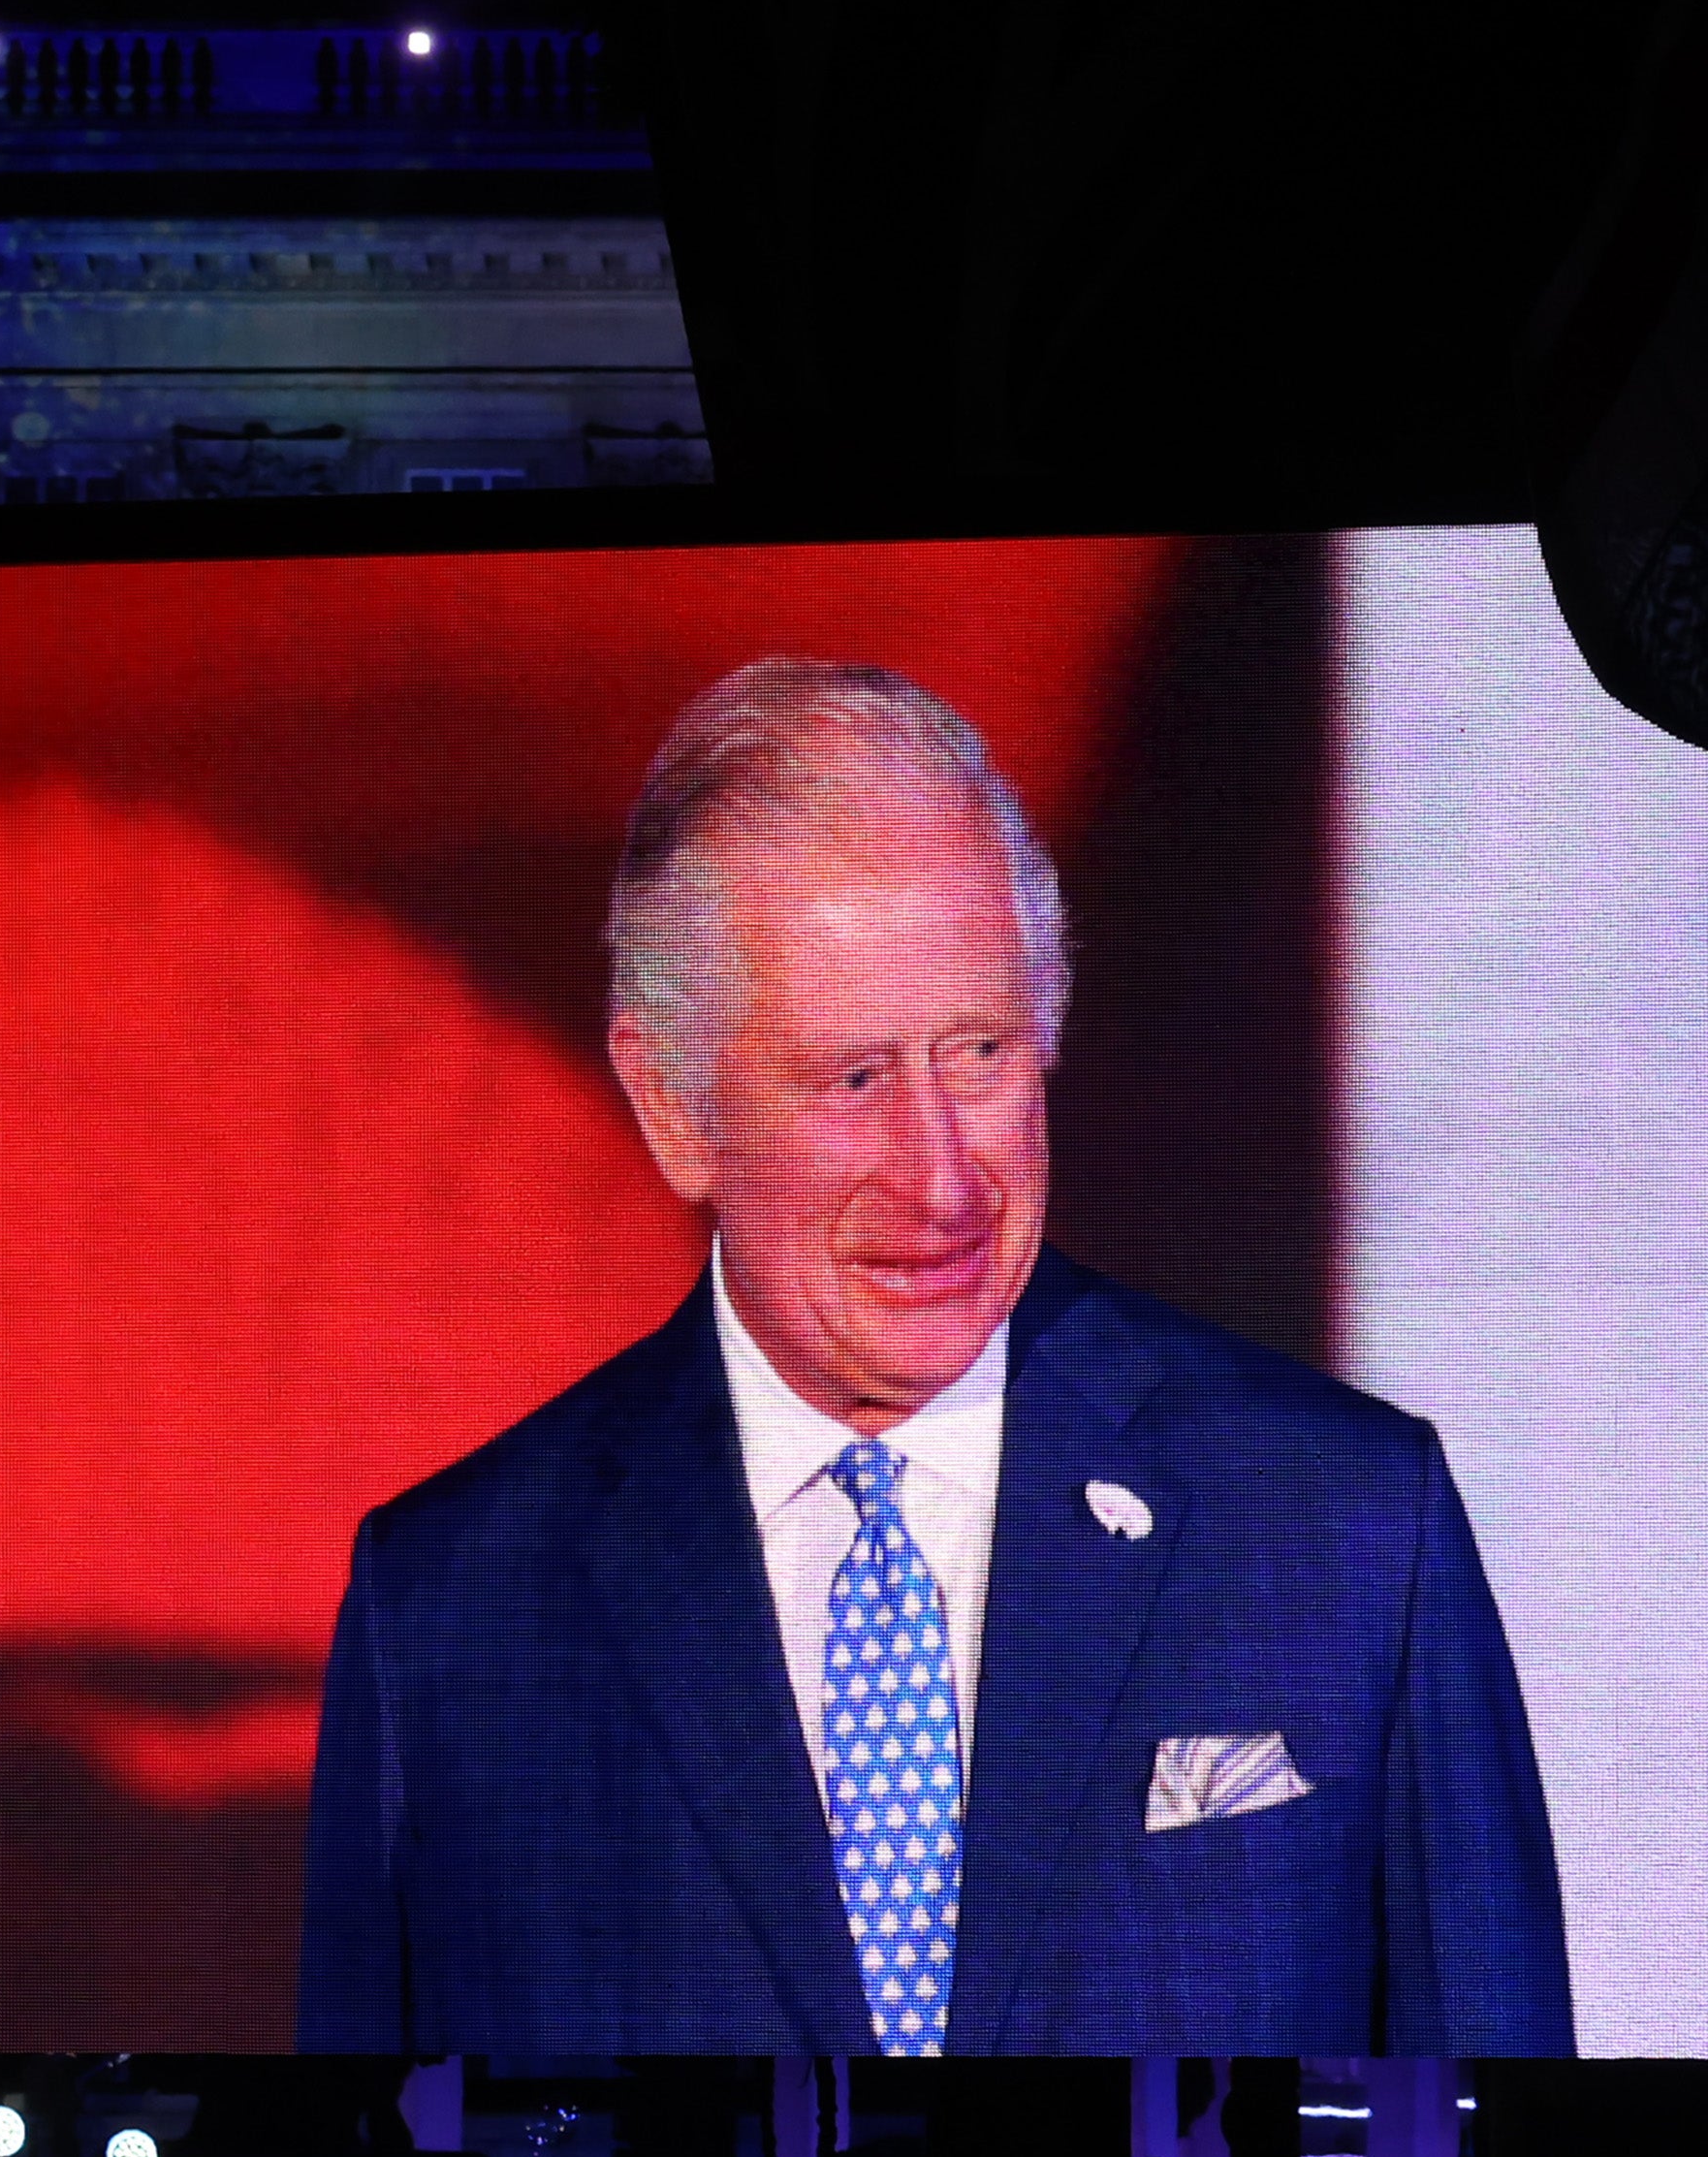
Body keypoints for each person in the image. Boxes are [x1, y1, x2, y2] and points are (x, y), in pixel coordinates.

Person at [299, 658, 1571, 2056]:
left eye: (978, 1053)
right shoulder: (455, 1616)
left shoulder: (1344, 1530)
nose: (942, 1180)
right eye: (852, 1079)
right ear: (671, 1105)